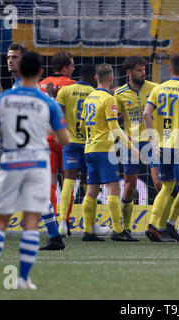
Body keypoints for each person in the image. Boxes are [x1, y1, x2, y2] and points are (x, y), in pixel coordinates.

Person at [0, 51, 69, 290]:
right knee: (32, 221)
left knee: (1, 220)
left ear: (20, 71)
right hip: (37, 164)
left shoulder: (3, 99)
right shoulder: (47, 101)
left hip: (12, 163)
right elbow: (63, 139)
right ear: (42, 73)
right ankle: (23, 278)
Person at [143, 54, 179, 243]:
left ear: (170, 70)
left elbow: (146, 114)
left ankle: (153, 225)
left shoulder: (158, 88)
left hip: (162, 144)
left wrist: (153, 140)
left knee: (167, 186)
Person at [80, 63, 140, 242]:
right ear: (112, 79)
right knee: (113, 188)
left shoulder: (89, 98)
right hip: (104, 150)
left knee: (91, 190)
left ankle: (88, 230)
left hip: (89, 148)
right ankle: (118, 230)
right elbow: (115, 127)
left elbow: (83, 126)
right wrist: (132, 148)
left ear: (95, 78)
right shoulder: (109, 99)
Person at [56, 63, 112, 237]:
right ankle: (91, 224)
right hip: (90, 143)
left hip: (70, 143)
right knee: (91, 185)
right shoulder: (96, 94)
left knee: (68, 182)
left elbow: (57, 116)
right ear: (94, 77)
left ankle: (63, 223)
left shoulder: (65, 91)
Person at [114, 56, 159, 241]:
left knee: (159, 184)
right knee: (130, 187)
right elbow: (114, 120)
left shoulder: (155, 88)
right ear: (129, 72)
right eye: (139, 70)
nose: (143, 73)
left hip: (153, 141)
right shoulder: (120, 93)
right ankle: (125, 227)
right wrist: (125, 136)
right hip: (132, 144)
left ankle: (158, 225)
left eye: (144, 69)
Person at [39, 52, 76, 220]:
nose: (74, 68)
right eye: (72, 65)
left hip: (45, 139)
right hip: (66, 139)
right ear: (65, 67)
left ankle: (51, 221)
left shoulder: (40, 85)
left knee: (50, 183)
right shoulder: (72, 85)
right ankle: (65, 221)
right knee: (68, 182)